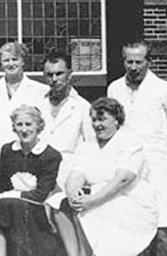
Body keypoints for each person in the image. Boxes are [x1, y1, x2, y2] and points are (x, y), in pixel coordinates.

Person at [107, 41, 167, 256]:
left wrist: (162, 154)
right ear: (123, 61)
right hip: (128, 170)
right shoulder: (114, 88)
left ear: (148, 62)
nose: (133, 67)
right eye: (129, 61)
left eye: (138, 62)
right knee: (134, 231)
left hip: (157, 170)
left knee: (163, 231)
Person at [62, 98, 157, 256]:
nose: (97, 124)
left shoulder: (130, 142)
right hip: (95, 199)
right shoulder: (87, 146)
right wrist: (73, 195)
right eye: (94, 120)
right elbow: (76, 175)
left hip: (128, 201)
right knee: (59, 202)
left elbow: (123, 180)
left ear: (117, 120)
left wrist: (92, 201)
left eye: (102, 119)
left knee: (104, 227)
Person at [0, 105, 63, 256]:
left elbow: (41, 194)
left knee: (15, 206)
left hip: (37, 207)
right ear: (14, 127)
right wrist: (1, 196)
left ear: (39, 126)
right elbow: (1, 186)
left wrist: (11, 196)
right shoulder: (7, 150)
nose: (24, 130)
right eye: (19, 125)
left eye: (28, 124)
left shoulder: (51, 155)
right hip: (7, 206)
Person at [35, 53, 94, 256]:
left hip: (71, 176)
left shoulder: (83, 107)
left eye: (59, 73)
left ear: (70, 74)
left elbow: (90, 146)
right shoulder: (37, 105)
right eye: (49, 74)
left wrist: (79, 179)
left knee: (64, 210)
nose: (54, 79)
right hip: (40, 175)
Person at [0, 42, 49, 171]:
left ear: (23, 61)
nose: (11, 64)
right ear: (0, 64)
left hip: (32, 160)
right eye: (6, 60)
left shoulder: (40, 91)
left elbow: (44, 129)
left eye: (15, 59)